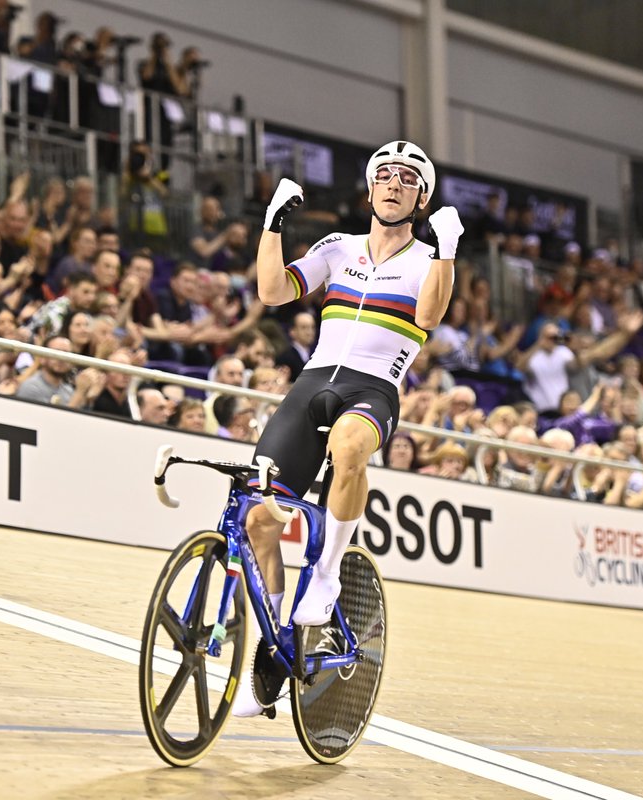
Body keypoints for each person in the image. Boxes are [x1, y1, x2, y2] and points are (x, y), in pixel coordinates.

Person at [234, 140, 462, 716]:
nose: (394, 184)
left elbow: (429, 316)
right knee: (258, 519)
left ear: (422, 198)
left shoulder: (426, 259)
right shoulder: (337, 247)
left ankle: (328, 574)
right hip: (311, 386)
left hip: (372, 390)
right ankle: (275, 642)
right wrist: (272, 224)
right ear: (369, 188)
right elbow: (272, 291)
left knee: (349, 446)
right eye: (385, 175)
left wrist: (447, 251)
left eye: (408, 179)